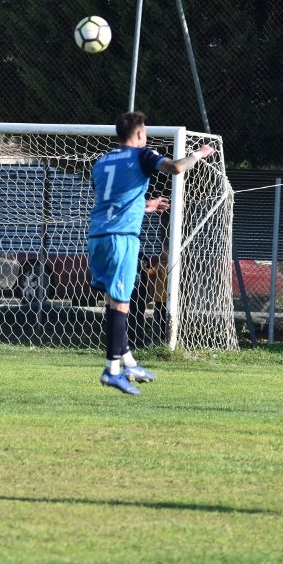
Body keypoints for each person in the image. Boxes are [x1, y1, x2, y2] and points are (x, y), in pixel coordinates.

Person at [88, 111, 213, 395]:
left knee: (112, 302)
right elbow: (176, 168)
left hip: (97, 237)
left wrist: (146, 206)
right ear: (140, 134)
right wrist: (199, 153)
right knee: (121, 305)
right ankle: (112, 369)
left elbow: (113, 202)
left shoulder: (102, 161)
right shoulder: (143, 155)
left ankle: (129, 361)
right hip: (121, 239)